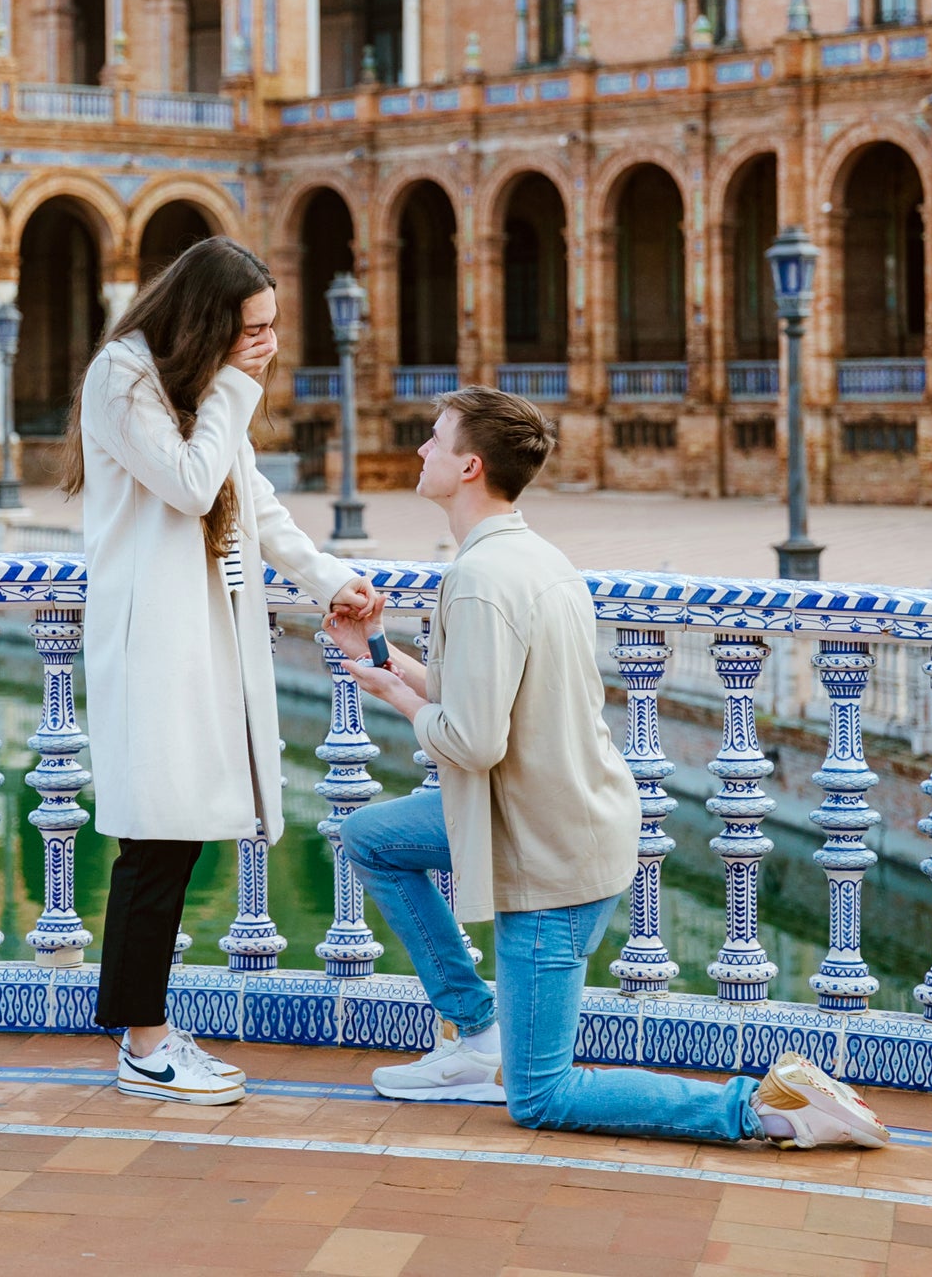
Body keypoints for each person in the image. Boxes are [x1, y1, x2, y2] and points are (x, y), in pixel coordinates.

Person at [329, 386, 889, 1151]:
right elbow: (487, 699)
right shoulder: (528, 556)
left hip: (549, 851)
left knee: (543, 1096)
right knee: (371, 837)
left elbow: (469, 741)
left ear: (469, 464)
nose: (420, 449)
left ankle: (769, 1110)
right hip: (555, 811)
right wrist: (383, 658)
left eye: (433, 438)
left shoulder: (480, 579)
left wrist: (397, 698)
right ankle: (474, 1034)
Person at [62, 235, 382, 1106]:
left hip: (204, 632)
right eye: (252, 329)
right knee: (155, 840)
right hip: (154, 637)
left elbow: (252, 501)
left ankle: (148, 1030)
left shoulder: (198, 389)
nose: (267, 345)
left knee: (178, 835)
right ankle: (142, 1042)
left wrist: (326, 577)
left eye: (274, 329)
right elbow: (194, 487)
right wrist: (236, 387)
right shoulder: (122, 376)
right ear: (206, 323)